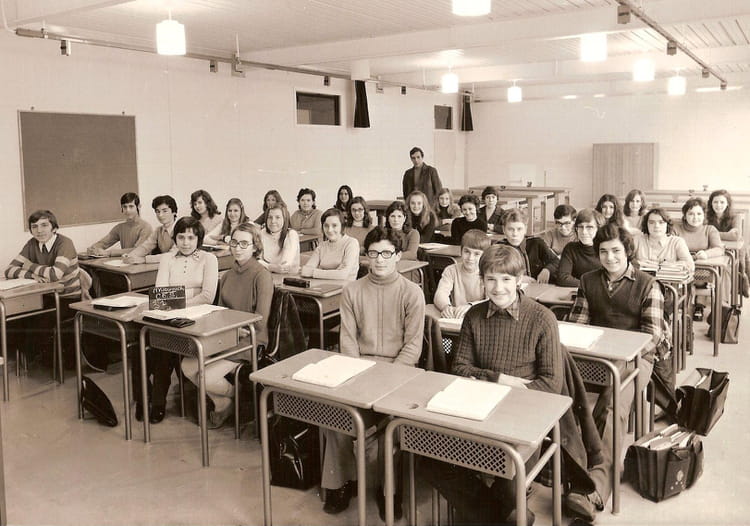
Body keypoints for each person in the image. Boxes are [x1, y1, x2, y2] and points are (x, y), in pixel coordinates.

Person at [450, 244, 563, 524]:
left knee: (509, 485)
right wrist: (500, 379)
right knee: (427, 458)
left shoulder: (543, 319)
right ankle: (506, 514)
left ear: (520, 279)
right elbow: (460, 368)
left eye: (506, 279)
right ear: (482, 280)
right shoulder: (473, 316)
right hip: (479, 410)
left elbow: (551, 386)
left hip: (523, 418)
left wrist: (497, 387)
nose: (498, 288)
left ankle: (500, 511)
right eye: (490, 279)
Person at [567, 223, 672, 522]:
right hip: (597, 357)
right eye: (603, 252)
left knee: (612, 407)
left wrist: (618, 352)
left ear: (628, 251)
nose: (610, 257)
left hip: (636, 360)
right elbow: (578, 324)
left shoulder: (648, 284)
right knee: (564, 398)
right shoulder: (588, 280)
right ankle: (572, 468)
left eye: (616, 251)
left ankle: (596, 487)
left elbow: (651, 336)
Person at [322, 227, 425, 517]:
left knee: (391, 426)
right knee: (336, 415)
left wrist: (386, 381)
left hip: (400, 373)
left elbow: (413, 347)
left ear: (398, 256)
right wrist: (358, 377)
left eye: (387, 253)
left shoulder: (412, 293)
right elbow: (348, 341)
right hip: (359, 369)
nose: (379, 259)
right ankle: (341, 482)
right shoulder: (352, 290)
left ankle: (388, 489)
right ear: (366, 256)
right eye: (373, 253)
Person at [181, 223, 272, 429]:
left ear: (255, 247)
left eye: (244, 243)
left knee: (206, 377)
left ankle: (236, 398)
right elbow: (220, 313)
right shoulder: (228, 275)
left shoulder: (262, 275)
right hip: (226, 336)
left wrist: (234, 331)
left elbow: (260, 321)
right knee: (187, 366)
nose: (238, 248)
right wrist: (225, 331)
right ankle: (227, 400)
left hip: (251, 339)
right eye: (234, 242)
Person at [140, 217, 218, 424]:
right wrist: (189, 294)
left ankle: (166, 399)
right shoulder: (167, 258)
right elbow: (160, 294)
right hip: (171, 317)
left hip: (199, 318)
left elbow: (207, 297)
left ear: (199, 239)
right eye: (181, 237)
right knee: (162, 347)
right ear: (175, 238)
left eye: (191, 238)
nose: (185, 242)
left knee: (169, 347)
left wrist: (176, 299)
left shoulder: (209, 259)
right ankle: (158, 402)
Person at [5, 210, 82, 366]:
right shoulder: (32, 244)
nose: (39, 230)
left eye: (44, 225)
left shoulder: (65, 243)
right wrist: (32, 275)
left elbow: (55, 274)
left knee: (37, 323)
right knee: (12, 320)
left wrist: (30, 266)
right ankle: (20, 360)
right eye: (34, 226)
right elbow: (9, 270)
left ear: (54, 228)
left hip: (68, 299)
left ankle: (35, 360)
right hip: (46, 297)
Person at [433, 229, 490, 318]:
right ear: (461, 251)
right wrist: (446, 307)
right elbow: (440, 293)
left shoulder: (488, 273)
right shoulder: (451, 270)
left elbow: (490, 301)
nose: (470, 258)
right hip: (456, 317)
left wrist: (470, 307)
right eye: (467, 252)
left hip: (478, 317)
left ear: (484, 256)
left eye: (476, 254)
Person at [501, 208, 558, 284]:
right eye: (510, 229)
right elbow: (491, 271)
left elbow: (556, 261)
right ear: (504, 230)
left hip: (538, 287)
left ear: (525, 229)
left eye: (519, 229)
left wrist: (547, 270)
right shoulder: (498, 248)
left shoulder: (536, 243)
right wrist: (518, 279)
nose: (515, 234)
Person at [300, 208, 359, 281]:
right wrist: (335, 273)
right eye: (326, 226)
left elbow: (343, 274)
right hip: (321, 285)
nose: (330, 230)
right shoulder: (322, 246)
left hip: (345, 286)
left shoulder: (351, 243)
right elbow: (305, 271)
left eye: (334, 225)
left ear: (342, 226)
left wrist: (313, 272)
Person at [86, 192, 153, 256]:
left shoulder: (146, 227)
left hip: (142, 262)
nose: (128, 210)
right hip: (126, 261)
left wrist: (108, 253)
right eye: (125, 207)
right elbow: (104, 243)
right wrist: (93, 248)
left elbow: (137, 250)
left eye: (131, 206)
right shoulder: (120, 227)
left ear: (138, 206)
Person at [122, 195, 179, 264]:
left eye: (165, 211)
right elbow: (145, 247)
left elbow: (172, 255)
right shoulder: (158, 230)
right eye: (157, 211)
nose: (160, 215)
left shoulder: (181, 229)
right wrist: (130, 256)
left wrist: (144, 259)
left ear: (174, 212)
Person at [635, 208, 695, 272]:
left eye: (661, 222)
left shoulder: (677, 242)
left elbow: (690, 266)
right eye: (651, 222)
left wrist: (671, 265)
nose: (656, 226)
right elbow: (627, 262)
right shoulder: (637, 240)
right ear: (646, 225)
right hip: (642, 277)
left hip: (669, 277)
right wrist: (638, 263)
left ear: (667, 224)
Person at [557, 209, 605, 287]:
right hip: (576, 292)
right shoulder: (571, 248)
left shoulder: (605, 249)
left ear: (598, 229)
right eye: (580, 227)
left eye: (589, 227)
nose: (584, 232)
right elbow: (562, 278)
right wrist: (588, 286)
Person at [260, 204, 300, 274]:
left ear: (284, 219)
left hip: (288, 276)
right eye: (270, 217)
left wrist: (265, 265)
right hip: (266, 274)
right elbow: (254, 260)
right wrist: (270, 267)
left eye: (277, 217)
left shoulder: (291, 234)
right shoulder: (262, 233)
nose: (273, 221)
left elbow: (284, 266)